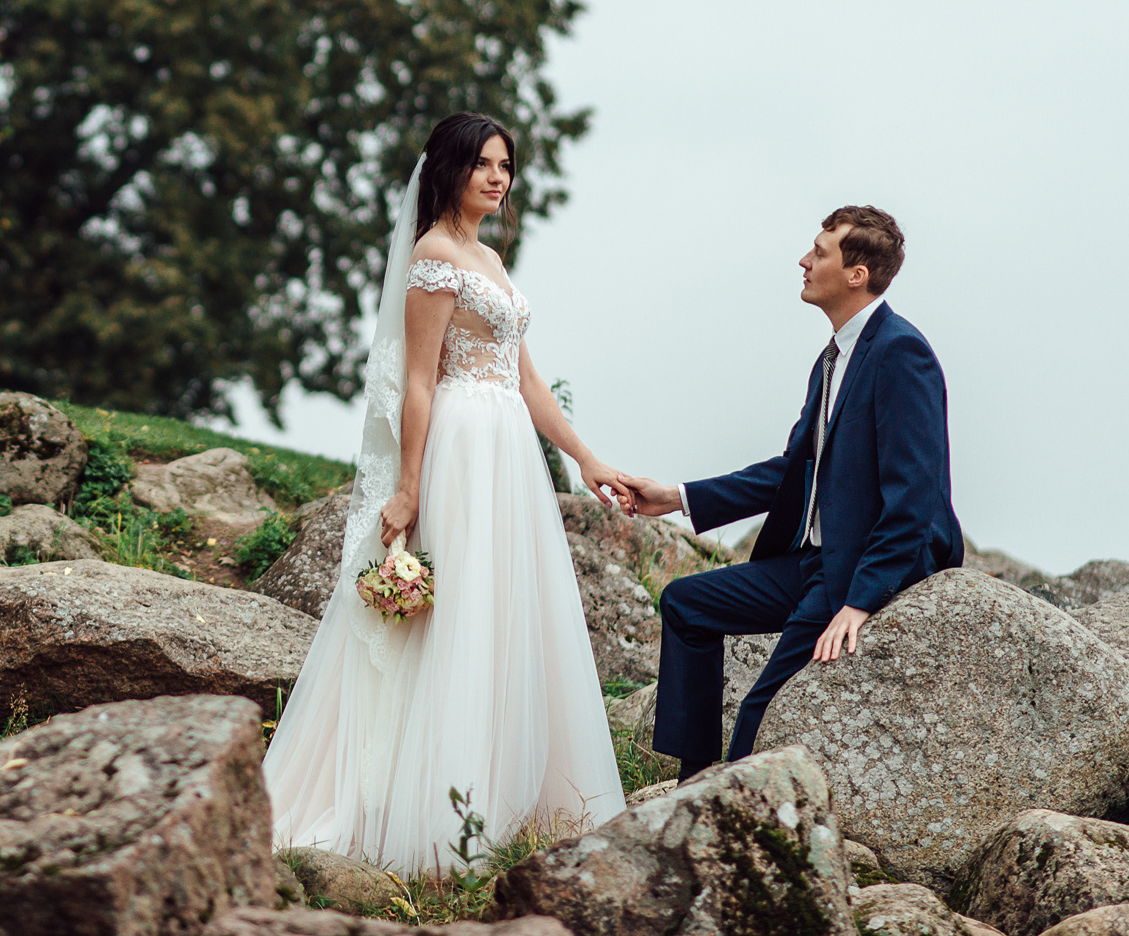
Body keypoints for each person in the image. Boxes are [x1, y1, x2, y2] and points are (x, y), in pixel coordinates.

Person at [262, 112, 628, 867]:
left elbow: (526, 378)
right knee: (453, 612)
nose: (497, 177)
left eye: (505, 165)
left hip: (508, 453)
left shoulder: (489, 258)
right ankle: (434, 809)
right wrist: (408, 486)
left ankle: (503, 797)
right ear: (451, 170)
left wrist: (587, 459)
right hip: (459, 442)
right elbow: (419, 383)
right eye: (483, 164)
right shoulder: (432, 256)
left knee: (501, 609)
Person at [613, 206, 963, 777]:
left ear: (857, 274)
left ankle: (729, 816)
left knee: (761, 708)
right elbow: (791, 472)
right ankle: (696, 782)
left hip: (859, 571)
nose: (804, 260)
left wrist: (860, 601)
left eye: (819, 252)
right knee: (686, 605)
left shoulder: (901, 353)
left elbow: (915, 499)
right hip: (813, 562)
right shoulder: (832, 359)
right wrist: (675, 497)